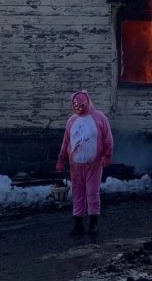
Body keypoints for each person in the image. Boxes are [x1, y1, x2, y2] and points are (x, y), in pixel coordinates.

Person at [56, 91, 114, 236]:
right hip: (75, 165)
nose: (79, 108)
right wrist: (61, 159)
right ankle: (78, 224)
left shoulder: (99, 118)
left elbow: (108, 139)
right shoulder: (71, 121)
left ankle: (93, 223)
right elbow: (66, 141)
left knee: (92, 193)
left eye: (82, 105)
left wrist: (108, 155)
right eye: (76, 105)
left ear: (88, 103)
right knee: (77, 194)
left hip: (94, 164)